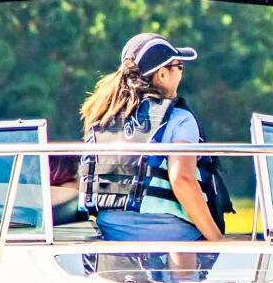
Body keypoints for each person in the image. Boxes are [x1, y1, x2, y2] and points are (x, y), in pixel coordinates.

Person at [79, 32, 225, 243]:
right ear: (163, 74)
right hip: (168, 232)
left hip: (110, 232)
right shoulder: (180, 119)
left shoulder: (103, 118)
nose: (181, 74)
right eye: (179, 67)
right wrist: (217, 239)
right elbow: (182, 179)